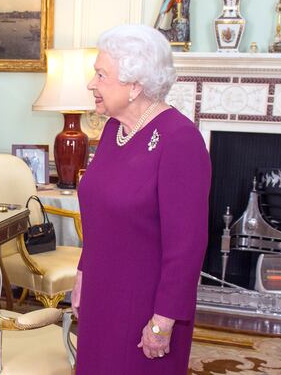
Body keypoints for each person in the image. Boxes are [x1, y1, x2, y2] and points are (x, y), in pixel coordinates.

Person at [72, 25, 211, 373]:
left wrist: (163, 322)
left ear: (135, 86)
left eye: (101, 75)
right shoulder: (112, 130)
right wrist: (82, 275)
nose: (91, 83)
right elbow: (100, 218)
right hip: (102, 295)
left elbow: (188, 245)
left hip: (145, 308)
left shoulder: (180, 140)